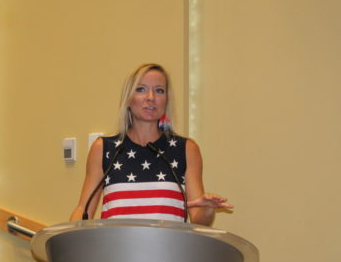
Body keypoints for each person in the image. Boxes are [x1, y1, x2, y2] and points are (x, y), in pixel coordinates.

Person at [69, 63, 232, 225]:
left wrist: (208, 209)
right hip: (115, 250)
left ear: (166, 100)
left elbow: (199, 221)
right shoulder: (104, 149)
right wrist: (67, 242)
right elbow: (83, 211)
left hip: (169, 250)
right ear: (128, 98)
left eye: (159, 90)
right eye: (141, 89)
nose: (151, 97)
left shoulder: (186, 149)